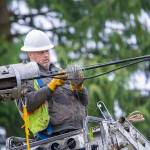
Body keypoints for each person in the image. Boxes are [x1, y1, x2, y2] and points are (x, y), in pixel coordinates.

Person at [16, 29, 88, 140]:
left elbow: (84, 102)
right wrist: (51, 86)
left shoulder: (59, 71)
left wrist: (79, 87)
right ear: (30, 54)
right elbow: (26, 104)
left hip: (80, 131)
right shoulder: (25, 77)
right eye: (41, 52)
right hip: (53, 137)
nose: (46, 55)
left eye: (47, 51)